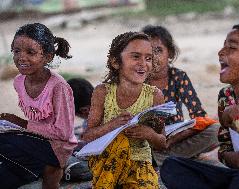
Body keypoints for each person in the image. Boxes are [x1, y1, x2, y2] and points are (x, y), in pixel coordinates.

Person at [160, 24, 239, 189]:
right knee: (172, 167)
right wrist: (230, 157)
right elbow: (225, 146)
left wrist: (237, 116)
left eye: (231, 47)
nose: (221, 52)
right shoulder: (226, 96)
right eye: (223, 45)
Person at [81, 31, 166, 189]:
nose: (143, 63)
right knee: (121, 141)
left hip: (139, 163)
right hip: (105, 160)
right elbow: (87, 136)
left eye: (148, 58)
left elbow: (162, 143)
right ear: (115, 62)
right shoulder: (103, 92)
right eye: (135, 57)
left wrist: (149, 134)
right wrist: (112, 125)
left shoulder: (155, 96)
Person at [0, 23, 77, 189]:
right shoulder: (19, 81)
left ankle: (41, 167)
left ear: (47, 57)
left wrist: (21, 123)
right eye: (16, 51)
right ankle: (28, 169)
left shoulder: (58, 87)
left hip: (57, 147)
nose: (21, 57)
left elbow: (63, 132)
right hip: (35, 140)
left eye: (31, 52)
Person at [142, 25, 219, 166]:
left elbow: (198, 116)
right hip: (147, 144)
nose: (152, 57)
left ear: (170, 53)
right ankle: (174, 158)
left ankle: (165, 159)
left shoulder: (178, 77)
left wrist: (171, 140)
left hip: (174, 140)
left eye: (158, 50)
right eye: (146, 52)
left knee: (216, 131)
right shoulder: (137, 80)